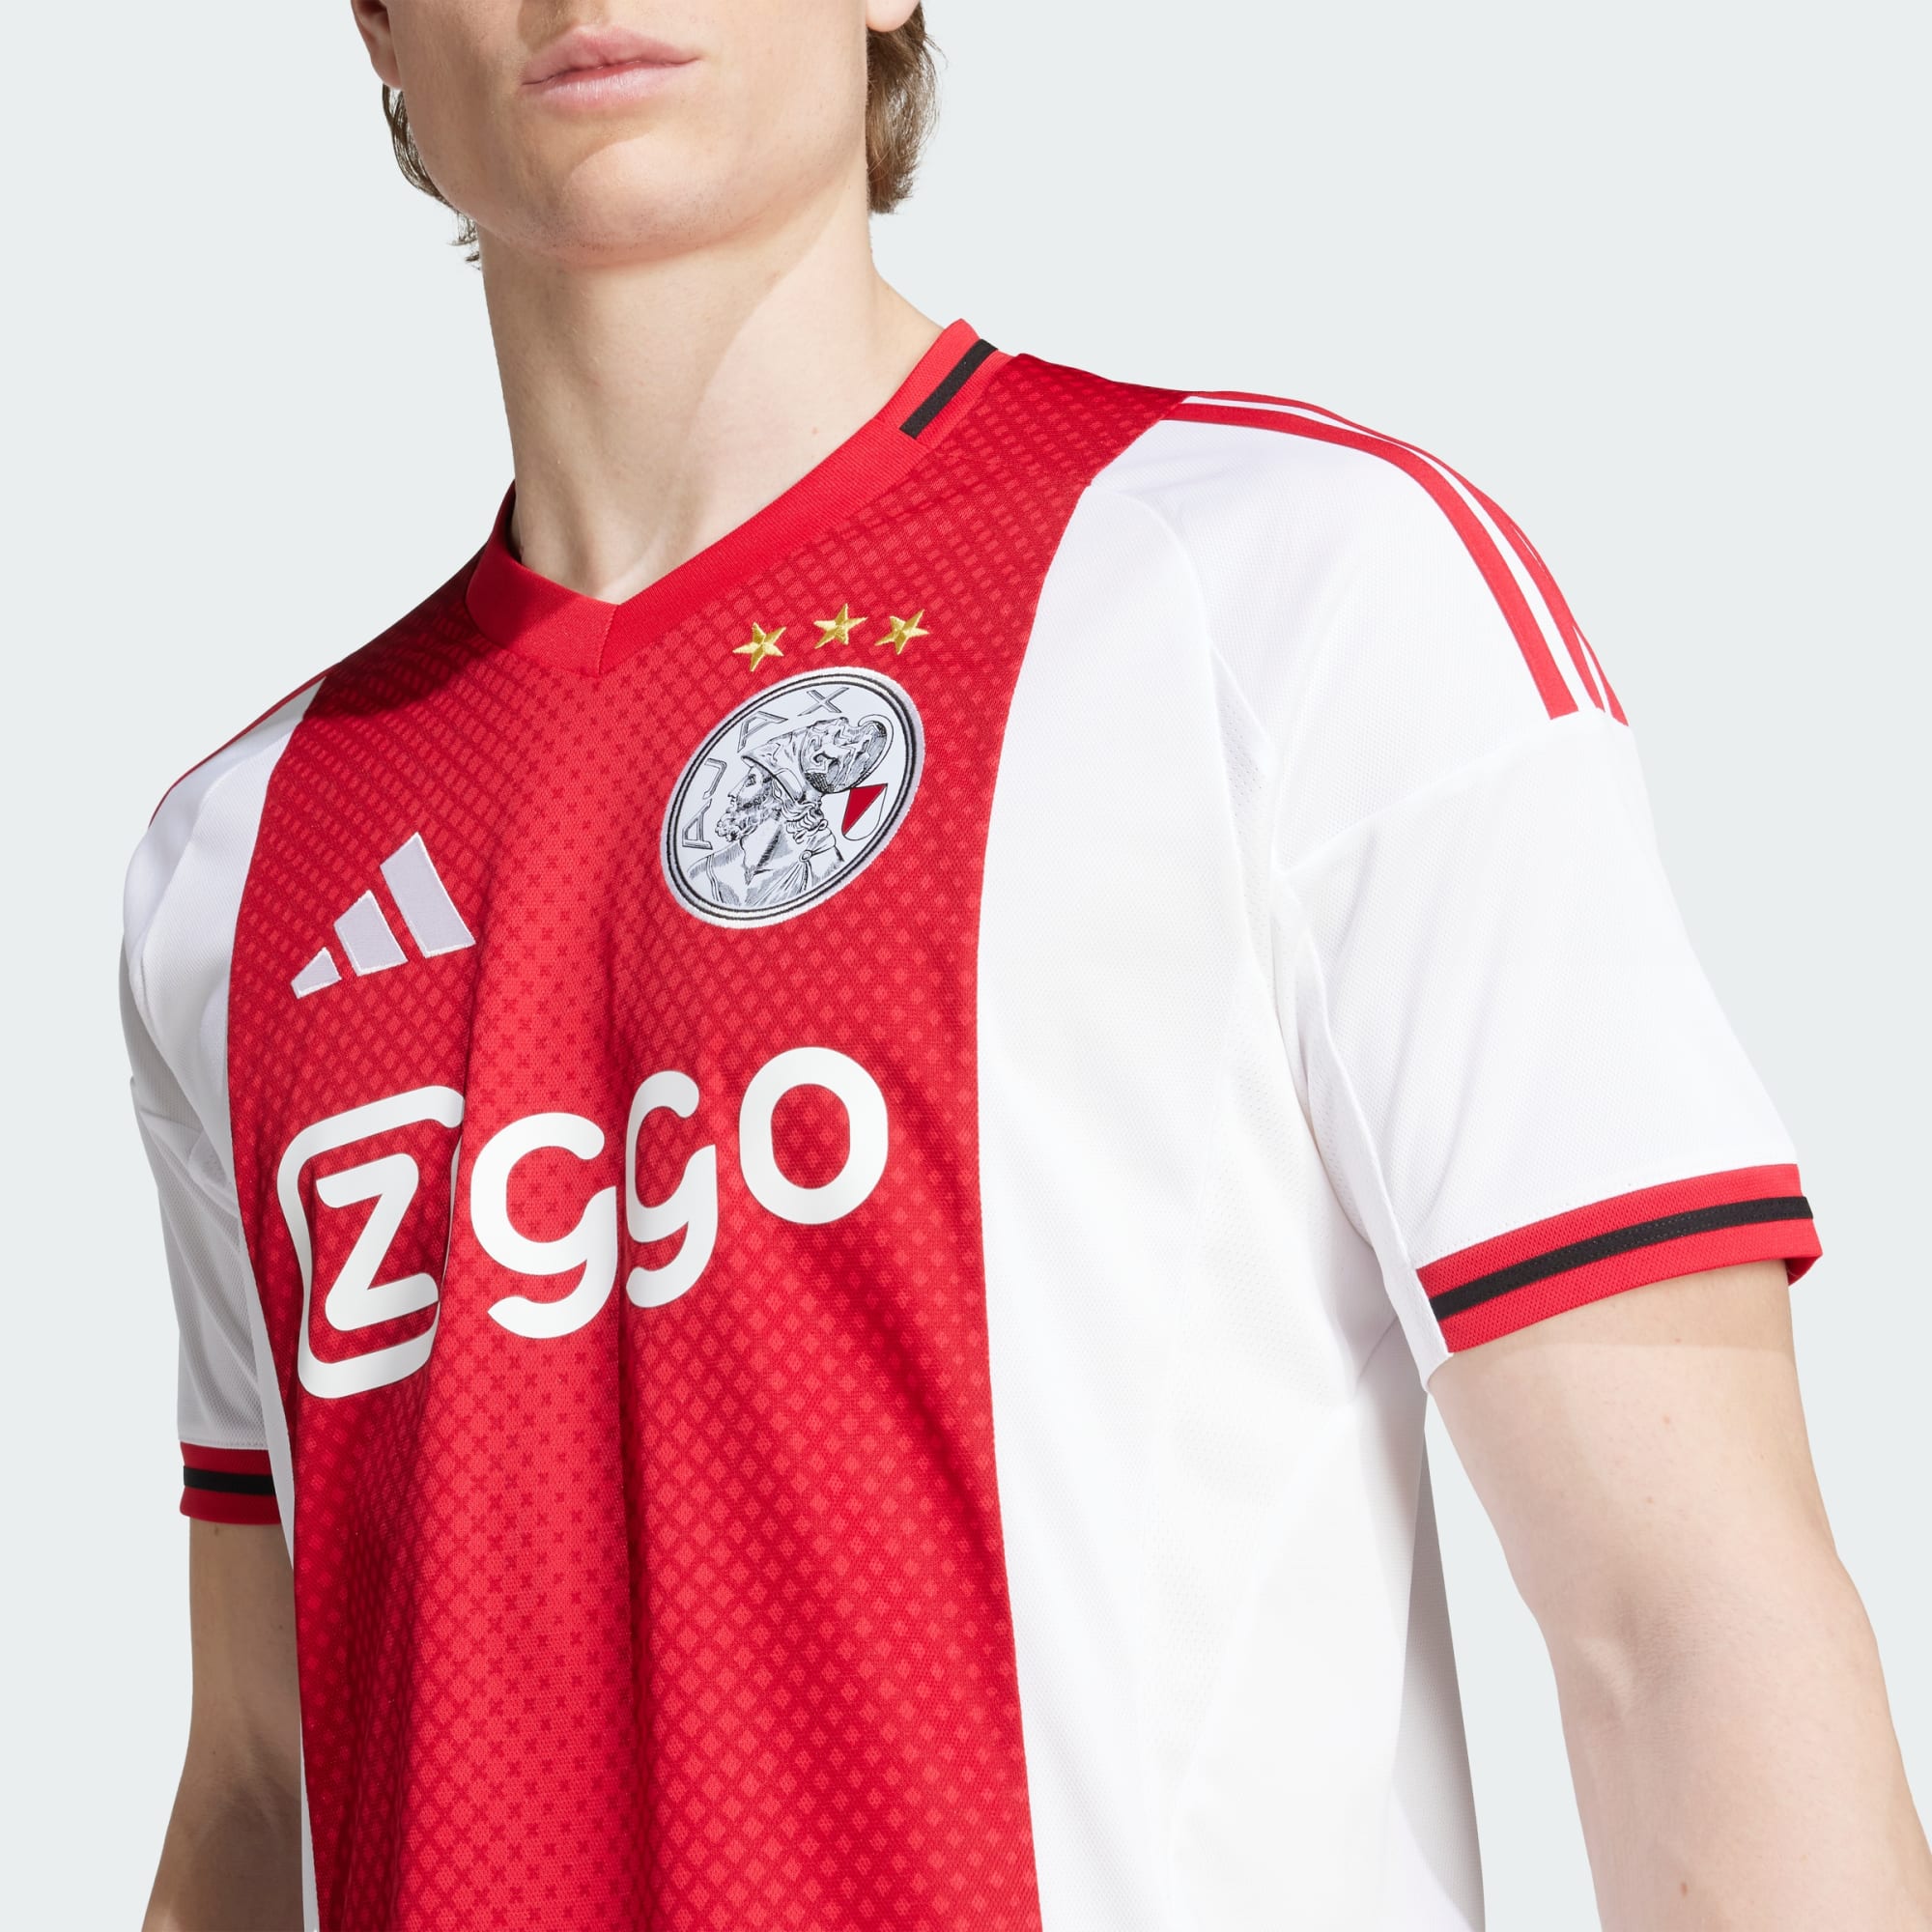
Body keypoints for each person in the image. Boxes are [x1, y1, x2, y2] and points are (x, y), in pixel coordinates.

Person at [123, 4, 1931, 1929]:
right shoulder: (236, 864)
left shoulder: (1295, 595)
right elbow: (256, 1776)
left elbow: (1686, 1621)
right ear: (376, 21)